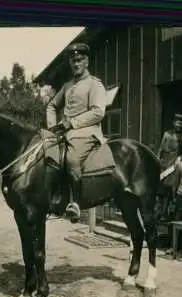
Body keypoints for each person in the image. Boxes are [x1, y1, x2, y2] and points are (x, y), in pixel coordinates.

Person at [45, 43, 107, 223]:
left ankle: (76, 203)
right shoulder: (67, 86)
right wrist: (52, 128)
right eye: (73, 60)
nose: (76, 63)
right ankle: (55, 199)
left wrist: (72, 123)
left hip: (88, 132)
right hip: (66, 133)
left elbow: (98, 112)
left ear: (87, 61)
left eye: (80, 60)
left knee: (72, 159)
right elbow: (51, 105)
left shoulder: (95, 84)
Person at [156, 113, 182, 221]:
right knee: (161, 189)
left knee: (170, 189)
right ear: (174, 123)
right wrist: (158, 160)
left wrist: (180, 157)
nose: (179, 125)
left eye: (181, 123)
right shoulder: (167, 134)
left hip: (175, 163)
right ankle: (159, 213)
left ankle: (167, 214)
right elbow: (160, 149)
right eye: (177, 122)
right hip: (164, 163)